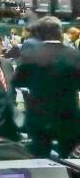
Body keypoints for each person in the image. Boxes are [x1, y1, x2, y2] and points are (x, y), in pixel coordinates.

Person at [12, 16, 80, 157]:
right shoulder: (75, 55)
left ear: (39, 34)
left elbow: (17, 81)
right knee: (68, 159)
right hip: (68, 115)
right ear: (61, 33)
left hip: (38, 116)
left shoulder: (31, 55)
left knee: (39, 157)